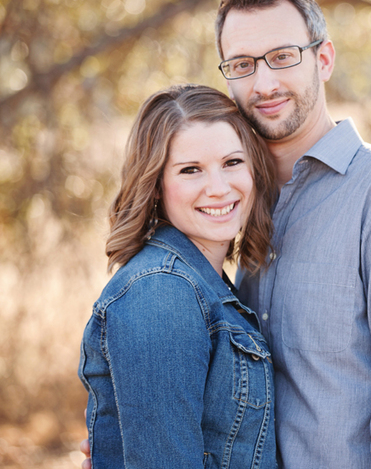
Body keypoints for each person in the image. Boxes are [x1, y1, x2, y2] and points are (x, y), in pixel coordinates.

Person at [83, 0, 371, 469]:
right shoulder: (244, 208)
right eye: (242, 65)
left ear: (323, 59)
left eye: (283, 56)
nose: (263, 84)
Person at [78, 84, 278, 468]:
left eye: (232, 162)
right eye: (191, 170)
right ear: (155, 187)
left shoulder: (206, 286)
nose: (219, 188)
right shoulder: (162, 292)